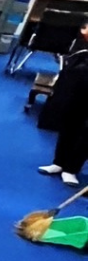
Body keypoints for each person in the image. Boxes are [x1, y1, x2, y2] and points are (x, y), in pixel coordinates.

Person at [38, 19, 88, 187]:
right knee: (69, 123)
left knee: (86, 132)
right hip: (76, 88)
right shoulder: (78, 46)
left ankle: (71, 169)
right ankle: (59, 162)